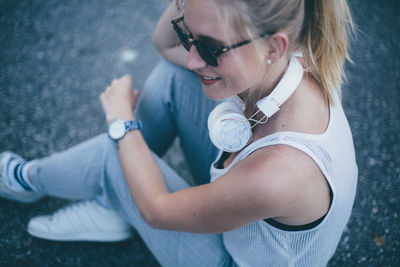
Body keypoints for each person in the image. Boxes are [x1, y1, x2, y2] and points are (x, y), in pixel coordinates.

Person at [0, 0, 358, 266]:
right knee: (175, 78)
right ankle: (116, 202)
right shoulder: (294, 57)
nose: (192, 57)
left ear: (274, 46)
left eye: (210, 48)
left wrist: (120, 119)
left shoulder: (281, 174)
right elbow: (165, 45)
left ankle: (24, 180)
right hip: (244, 209)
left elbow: (157, 210)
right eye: (190, 34)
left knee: (116, 150)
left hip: (230, 259)